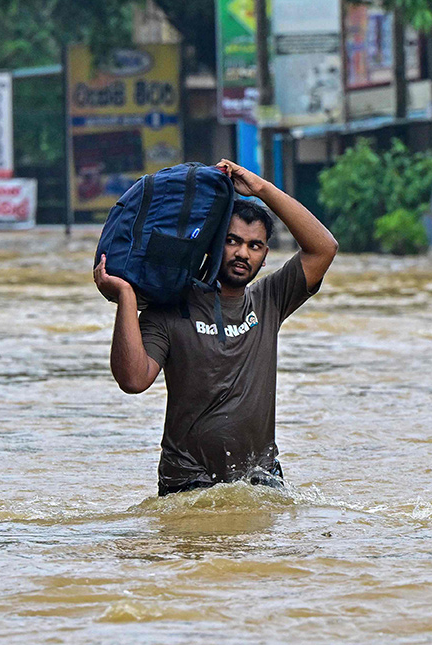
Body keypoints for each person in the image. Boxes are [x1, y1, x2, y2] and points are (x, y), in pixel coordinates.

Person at [93, 159, 338, 496]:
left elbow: (324, 248)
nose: (242, 254)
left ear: (265, 256)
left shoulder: (269, 300)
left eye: (255, 246)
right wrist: (125, 296)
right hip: (188, 483)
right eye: (232, 241)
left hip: (261, 478)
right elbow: (133, 380)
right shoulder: (171, 307)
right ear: (211, 242)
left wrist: (261, 188)